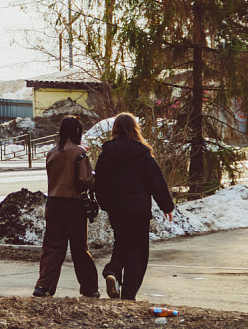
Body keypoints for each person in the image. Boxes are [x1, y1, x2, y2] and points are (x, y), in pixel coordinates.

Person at [94, 112, 174, 300]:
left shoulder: (106, 154)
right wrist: (167, 206)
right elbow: (157, 183)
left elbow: (99, 183)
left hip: (117, 209)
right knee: (137, 252)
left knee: (122, 242)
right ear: (134, 129)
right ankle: (128, 295)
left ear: (115, 130)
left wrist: (106, 204)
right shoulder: (143, 154)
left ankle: (113, 270)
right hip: (138, 210)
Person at [33, 115, 100, 298]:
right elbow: (85, 180)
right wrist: (95, 178)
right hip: (73, 205)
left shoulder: (52, 153)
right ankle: (89, 288)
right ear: (78, 131)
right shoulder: (79, 152)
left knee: (53, 247)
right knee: (79, 248)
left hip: (53, 203)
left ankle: (43, 286)